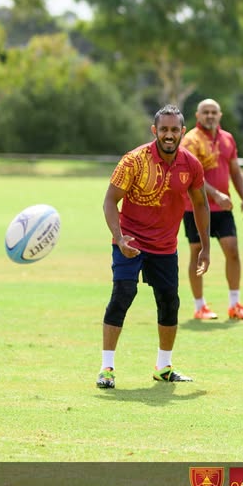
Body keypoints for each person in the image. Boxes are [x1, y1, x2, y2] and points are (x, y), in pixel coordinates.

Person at [97, 104, 210, 389]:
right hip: (130, 240)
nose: (169, 135)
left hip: (165, 245)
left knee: (169, 301)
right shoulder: (133, 161)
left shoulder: (191, 164)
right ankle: (106, 368)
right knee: (123, 294)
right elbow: (110, 201)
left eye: (174, 130)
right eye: (164, 130)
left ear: (182, 132)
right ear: (154, 131)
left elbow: (200, 204)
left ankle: (164, 367)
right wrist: (119, 237)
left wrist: (206, 246)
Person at [181, 98, 243, 320]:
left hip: (223, 208)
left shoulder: (227, 139)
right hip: (195, 206)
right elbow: (192, 176)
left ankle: (234, 304)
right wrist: (216, 194)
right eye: (206, 112)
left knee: (232, 250)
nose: (210, 116)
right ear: (198, 115)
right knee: (196, 252)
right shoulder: (190, 141)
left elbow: (235, 170)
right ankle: (199, 306)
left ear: (220, 115)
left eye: (214, 112)